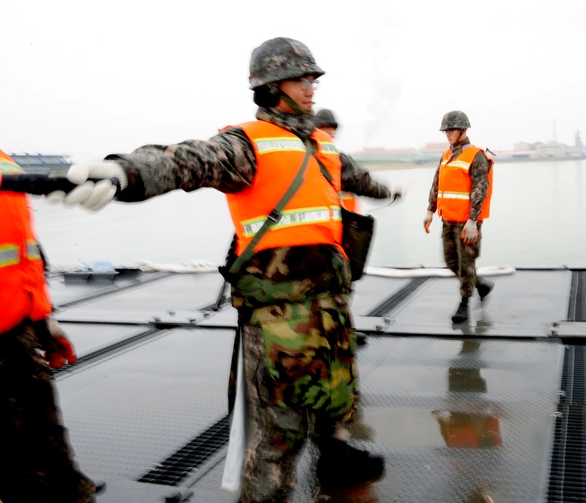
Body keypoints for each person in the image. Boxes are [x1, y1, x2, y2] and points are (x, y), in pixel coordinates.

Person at [51, 38, 402, 502]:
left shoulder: (322, 145)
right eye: (303, 78)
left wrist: (385, 190)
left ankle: (335, 455)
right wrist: (123, 174)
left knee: (336, 389)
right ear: (273, 86)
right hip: (279, 314)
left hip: (329, 302)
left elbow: (354, 177)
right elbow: (187, 161)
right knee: (278, 434)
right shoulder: (246, 145)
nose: (312, 87)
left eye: (314, 78)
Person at [0, 149, 100, 503]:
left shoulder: (4, 159)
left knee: (42, 433)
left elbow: (25, 250)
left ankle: (68, 490)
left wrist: (44, 318)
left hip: (17, 327)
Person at [423, 111, 494, 324]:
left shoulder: (476, 155)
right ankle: (480, 284)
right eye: (446, 130)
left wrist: (473, 221)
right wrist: (430, 210)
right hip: (448, 219)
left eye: (451, 129)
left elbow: (480, 188)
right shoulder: (447, 155)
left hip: (467, 223)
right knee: (451, 261)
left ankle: (464, 304)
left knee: (466, 263)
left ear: (463, 130)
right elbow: (437, 183)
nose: (447, 134)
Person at [314, 108, 358, 214]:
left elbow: (364, 183)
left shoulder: (342, 162)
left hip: (345, 224)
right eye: (325, 129)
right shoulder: (306, 160)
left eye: (332, 129)